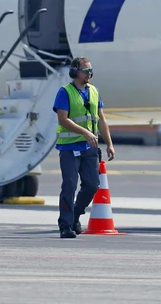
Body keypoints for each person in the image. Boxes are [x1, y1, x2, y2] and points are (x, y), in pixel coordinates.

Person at [53, 57, 115, 238]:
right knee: (69, 186)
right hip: (69, 148)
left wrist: (109, 143)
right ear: (74, 72)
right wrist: (85, 133)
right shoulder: (64, 92)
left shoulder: (95, 91)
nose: (89, 74)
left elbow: (101, 120)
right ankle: (65, 225)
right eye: (85, 70)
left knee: (92, 185)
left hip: (90, 148)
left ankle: (75, 214)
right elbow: (63, 119)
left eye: (90, 70)